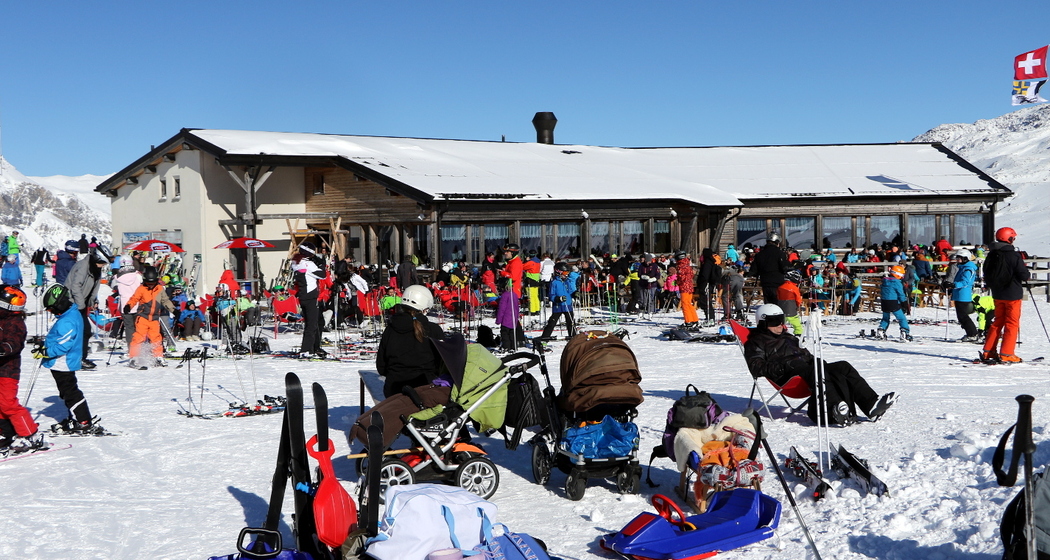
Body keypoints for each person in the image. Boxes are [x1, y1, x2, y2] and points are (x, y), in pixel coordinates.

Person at [744, 304, 896, 426]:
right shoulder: (756, 342)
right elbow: (756, 368)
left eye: (781, 320)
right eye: (774, 321)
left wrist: (813, 360)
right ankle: (834, 407)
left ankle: (871, 405)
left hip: (808, 371)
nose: (780, 325)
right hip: (787, 377)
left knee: (842, 366)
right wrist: (787, 365)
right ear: (763, 323)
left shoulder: (788, 336)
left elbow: (804, 354)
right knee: (816, 369)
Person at [34, 284, 106, 435]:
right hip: (60, 363)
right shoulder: (69, 315)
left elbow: (63, 346)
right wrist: (44, 345)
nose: (50, 312)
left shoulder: (68, 321)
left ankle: (84, 421)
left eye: (51, 309)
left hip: (63, 363)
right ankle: (76, 417)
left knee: (70, 392)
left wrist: (46, 351)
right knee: (66, 392)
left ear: (59, 305)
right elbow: (59, 339)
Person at [376, 285, 445, 398]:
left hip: (394, 389)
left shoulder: (391, 328)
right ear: (425, 308)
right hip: (426, 389)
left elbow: (381, 366)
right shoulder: (433, 330)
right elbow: (443, 364)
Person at [0, 286, 46, 455]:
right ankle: (5, 432)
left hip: (8, 370)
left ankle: (30, 434)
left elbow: (15, 343)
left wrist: (3, 348)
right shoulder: (3, 319)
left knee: (8, 403)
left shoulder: (15, 323)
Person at [980, 227, 1031, 364]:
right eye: (1013, 237)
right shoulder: (1013, 255)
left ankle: (988, 351)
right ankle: (1007, 353)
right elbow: (1024, 275)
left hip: (997, 293)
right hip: (1012, 294)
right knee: (1012, 324)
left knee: (998, 322)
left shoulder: (992, 254)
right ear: (1009, 238)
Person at [65, 247, 109, 370]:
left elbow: (92, 287)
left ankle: (80, 357)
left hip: (82, 303)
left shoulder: (95, 268)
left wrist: (93, 301)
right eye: (101, 263)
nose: (102, 266)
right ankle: (78, 359)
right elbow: (75, 286)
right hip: (72, 303)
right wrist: (80, 305)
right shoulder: (83, 267)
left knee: (84, 331)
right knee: (83, 331)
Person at [124, 266, 175, 368]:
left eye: (152, 283)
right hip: (142, 317)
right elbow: (134, 298)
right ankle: (134, 358)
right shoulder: (141, 289)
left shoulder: (159, 289)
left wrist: (174, 310)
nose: (150, 285)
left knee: (156, 338)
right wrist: (128, 305)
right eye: (148, 283)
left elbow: (165, 301)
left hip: (154, 318)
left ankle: (158, 357)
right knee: (138, 337)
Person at [294, 242, 328, 359]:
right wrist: (322, 265)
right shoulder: (308, 264)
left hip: (303, 296)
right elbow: (322, 275)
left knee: (310, 323)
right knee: (312, 324)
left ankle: (311, 348)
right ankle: (306, 349)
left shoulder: (296, 262)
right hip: (310, 296)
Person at [748, 233, 790, 304]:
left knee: (768, 305)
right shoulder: (780, 253)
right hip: (777, 283)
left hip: (765, 283)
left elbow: (753, 271)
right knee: (777, 305)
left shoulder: (760, 254)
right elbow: (784, 267)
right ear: (777, 243)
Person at [540, 263, 577, 340]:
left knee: (571, 322)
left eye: (567, 273)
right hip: (558, 306)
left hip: (568, 305)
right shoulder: (554, 282)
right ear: (558, 272)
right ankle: (545, 337)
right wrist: (557, 299)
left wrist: (575, 293)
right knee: (552, 322)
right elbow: (551, 295)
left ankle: (573, 337)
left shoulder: (568, 281)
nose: (566, 275)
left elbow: (571, 290)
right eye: (564, 273)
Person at [950, 249, 980, 343]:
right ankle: (971, 333)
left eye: (960, 258)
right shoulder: (962, 267)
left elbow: (966, 282)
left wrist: (954, 285)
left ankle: (973, 334)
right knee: (961, 316)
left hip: (964, 295)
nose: (958, 260)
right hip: (959, 294)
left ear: (965, 258)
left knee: (963, 316)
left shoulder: (968, 269)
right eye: (957, 258)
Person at [877, 265, 912, 341]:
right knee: (901, 318)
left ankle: (881, 330)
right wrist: (904, 303)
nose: (902, 277)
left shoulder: (884, 281)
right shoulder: (896, 282)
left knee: (885, 318)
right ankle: (904, 332)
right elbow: (900, 294)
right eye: (902, 275)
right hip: (893, 302)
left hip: (884, 302)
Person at [495, 276, 523, 352]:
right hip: (513, 319)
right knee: (512, 334)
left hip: (506, 320)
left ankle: (506, 347)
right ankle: (513, 346)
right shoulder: (514, 295)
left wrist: (498, 320)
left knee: (505, 334)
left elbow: (501, 309)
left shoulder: (504, 296)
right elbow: (517, 308)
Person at [777, 269, 805, 336]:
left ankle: (780, 331)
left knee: (782, 321)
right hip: (791, 307)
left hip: (781, 306)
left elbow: (777, 297)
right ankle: (798, 332)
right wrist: (798, 304)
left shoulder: (780, 287)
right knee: (795, 321)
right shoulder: (794, 288)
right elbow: (798, 298)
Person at [675, 250, 698, 328]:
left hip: (684, 287)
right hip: (690, 286)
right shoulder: (688, 264)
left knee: (685, 304)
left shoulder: (680, 266)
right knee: (689, 303)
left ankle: (688, 321)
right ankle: (694, 319)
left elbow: (681, 278)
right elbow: (691, 275)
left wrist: (677, 281)